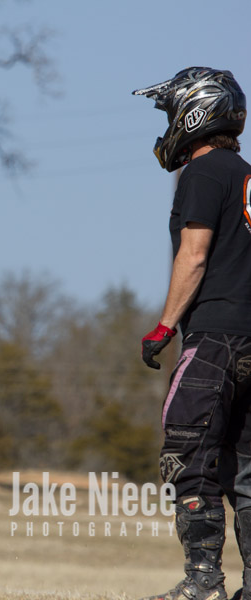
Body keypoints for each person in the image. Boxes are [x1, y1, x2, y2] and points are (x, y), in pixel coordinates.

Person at [134, 67, 250, 600]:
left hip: (216, 340)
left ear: (196, 112)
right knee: (245, 475)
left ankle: (203, 582)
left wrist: (163, 327)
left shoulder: (203, 175)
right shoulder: (246, 175)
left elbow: (195, 254)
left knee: (189, 454)